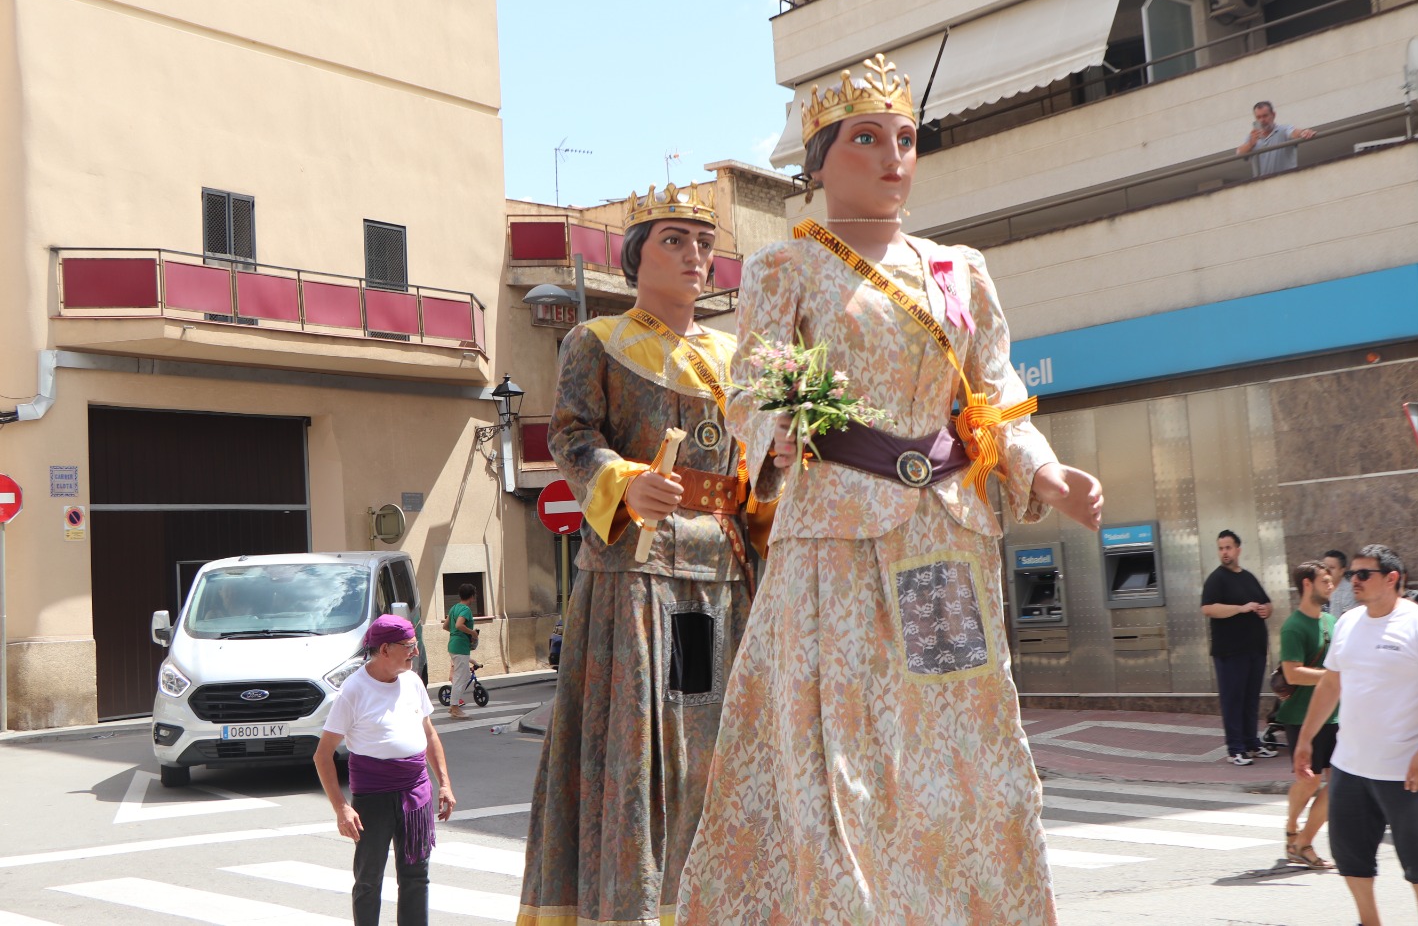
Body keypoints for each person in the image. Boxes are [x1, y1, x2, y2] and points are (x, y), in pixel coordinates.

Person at [675, 53, 1104, 924]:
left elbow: (994, 398)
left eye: (905, 139)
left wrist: (1045, 470)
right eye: (867, 139)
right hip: (831, 536)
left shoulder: (960, 271)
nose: (892, 156)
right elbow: (751, 377)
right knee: (842, 746)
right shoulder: (787, 269)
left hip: (941, 542)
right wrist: (779, 427)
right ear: (820, 161)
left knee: (952, 743)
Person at [517, 181, 769, 926]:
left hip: (723, 572)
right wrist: (625, 485)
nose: (695, 255)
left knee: (711, 731)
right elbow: (570, 436)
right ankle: (636, 905)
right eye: (674, 240)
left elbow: (758, 462)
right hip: (639, 573)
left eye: (703, 242)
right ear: (635, 257)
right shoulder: (594, 340)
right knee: (646, 742)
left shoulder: (737, 355)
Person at [1295, 544, 1418, 926]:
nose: (1353, 581)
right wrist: (1306, 738)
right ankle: (1369, 921)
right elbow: (1330, 685)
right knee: (1349, 853)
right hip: (1350, 764)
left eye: (1363, 574)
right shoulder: (1349, 622)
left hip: (1406, 767)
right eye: (1352, 574)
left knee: (1417, 854)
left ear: (1391, 579)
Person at [314, 614, 455, 926]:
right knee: (369, 879)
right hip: (373, 796)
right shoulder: (353, 690)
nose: (415, 652)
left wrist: (443, 783)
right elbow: (322, 756)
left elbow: (429, 735)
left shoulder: (413, 682)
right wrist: (341, 808)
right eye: (409, 646)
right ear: (386, 649)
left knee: (416, 876)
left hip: (415, 792)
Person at [1280, 560, 1338, 870]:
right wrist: (1330, 676)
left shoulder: (1333, 622)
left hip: (1337, 715)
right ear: (1307, 584)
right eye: (1324, 581)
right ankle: (1292, 826)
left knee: (1339, 782)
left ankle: (1304, 842)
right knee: (1311, 780)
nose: (1331, 585)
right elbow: (1292, 674)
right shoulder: (1293, 626)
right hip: (1302, 716)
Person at [1201, 529, 1274, 765]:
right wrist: (1240, 608)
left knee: (1251, 698)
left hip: (1255, 649)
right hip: (1230, 652)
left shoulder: (1248, 577)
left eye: (1228, 548)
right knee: (1233, 700)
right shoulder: (1216, 579)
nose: (1224, 552)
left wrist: (1266, 610)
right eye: (1221, 548)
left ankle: (1251, 743)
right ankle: (1235, 749)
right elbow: (1208, 608)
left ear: (1238, 550)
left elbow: (1268, 603)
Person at [1237, 100, 1316, 176]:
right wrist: (1251, 144)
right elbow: (1239, 153)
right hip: (1263, 185)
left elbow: (1294, 132)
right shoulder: (1252, 137)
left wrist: (1303, 132)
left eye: (1265, 116)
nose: (1262, 120)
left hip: (1287, 181)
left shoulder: (1283, 129)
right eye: (1258, 117)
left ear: (1273, 115)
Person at [445, 582, 479, 720]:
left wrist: (456, 633)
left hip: (454, 644)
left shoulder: (454, 608)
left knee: (462, 675)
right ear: (472, 596)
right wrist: (472, 633)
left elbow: (446, 626)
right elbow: (459, 624)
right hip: (460, 647)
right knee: (461, 677)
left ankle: (453, 705)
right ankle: (455, 707)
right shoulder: (465, 610)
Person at [1323, 549, 1356, 620]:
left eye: (1332, 568)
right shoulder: (1319, 587)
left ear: (1341, 571)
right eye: (1324, 567)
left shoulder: (1349, 591)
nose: (1327, 571)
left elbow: (1347, 621)